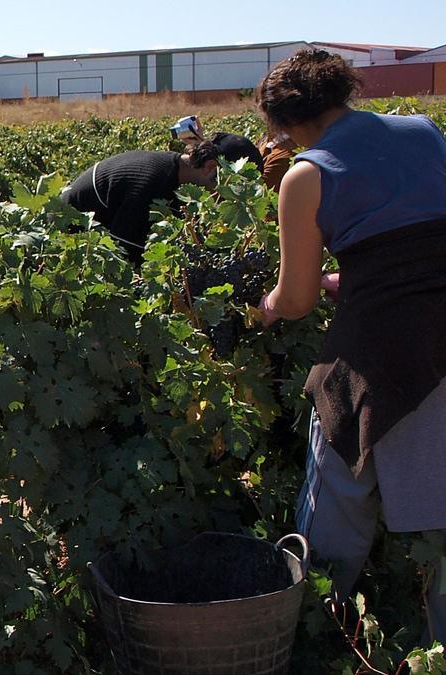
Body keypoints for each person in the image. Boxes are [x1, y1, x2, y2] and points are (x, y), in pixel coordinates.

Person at [255, 49, 446, 642]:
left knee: (340, 466)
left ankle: (318, 625)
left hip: (384, 348)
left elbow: (296, 301)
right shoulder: (425, 130)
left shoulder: (305, 176)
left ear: (283, 124)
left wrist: (262, 309)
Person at [61, 142, 221, 263]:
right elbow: (124, 243)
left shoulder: (173, 169)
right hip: (70, 221)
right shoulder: (153, 182)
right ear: (209, 167)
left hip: (98, 217)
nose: (217, 197)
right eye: (220, 188)